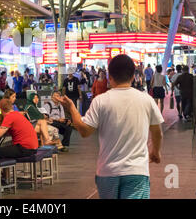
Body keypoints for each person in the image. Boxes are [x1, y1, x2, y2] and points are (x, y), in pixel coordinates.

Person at [57, 54, 164, 199]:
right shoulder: (146, 100)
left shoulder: (100, 101)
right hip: (137, 171)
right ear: (133, 76)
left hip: (107, 172)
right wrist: (155, 151)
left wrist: (71, 108)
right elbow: (157, 132)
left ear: (110, 76)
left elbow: (84, 131)